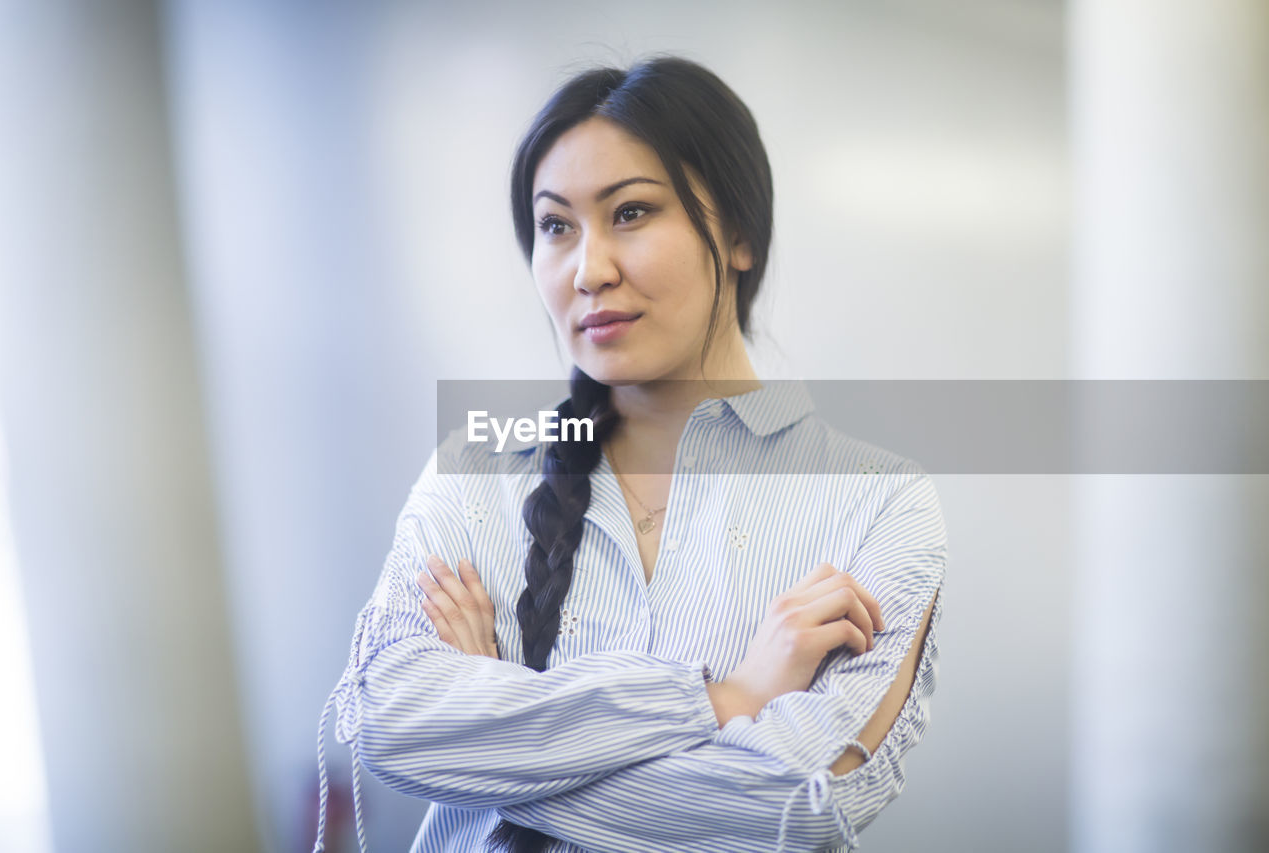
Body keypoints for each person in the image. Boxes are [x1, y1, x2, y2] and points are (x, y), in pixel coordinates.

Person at [314, 55, 947, 853]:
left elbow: (791, 807)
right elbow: (390, 722)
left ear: (741, 234)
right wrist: (723, 700)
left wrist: (490, 730)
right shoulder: (478, 467)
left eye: (632, 213)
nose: (590, 270)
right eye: (555, 226)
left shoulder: (876, 501)